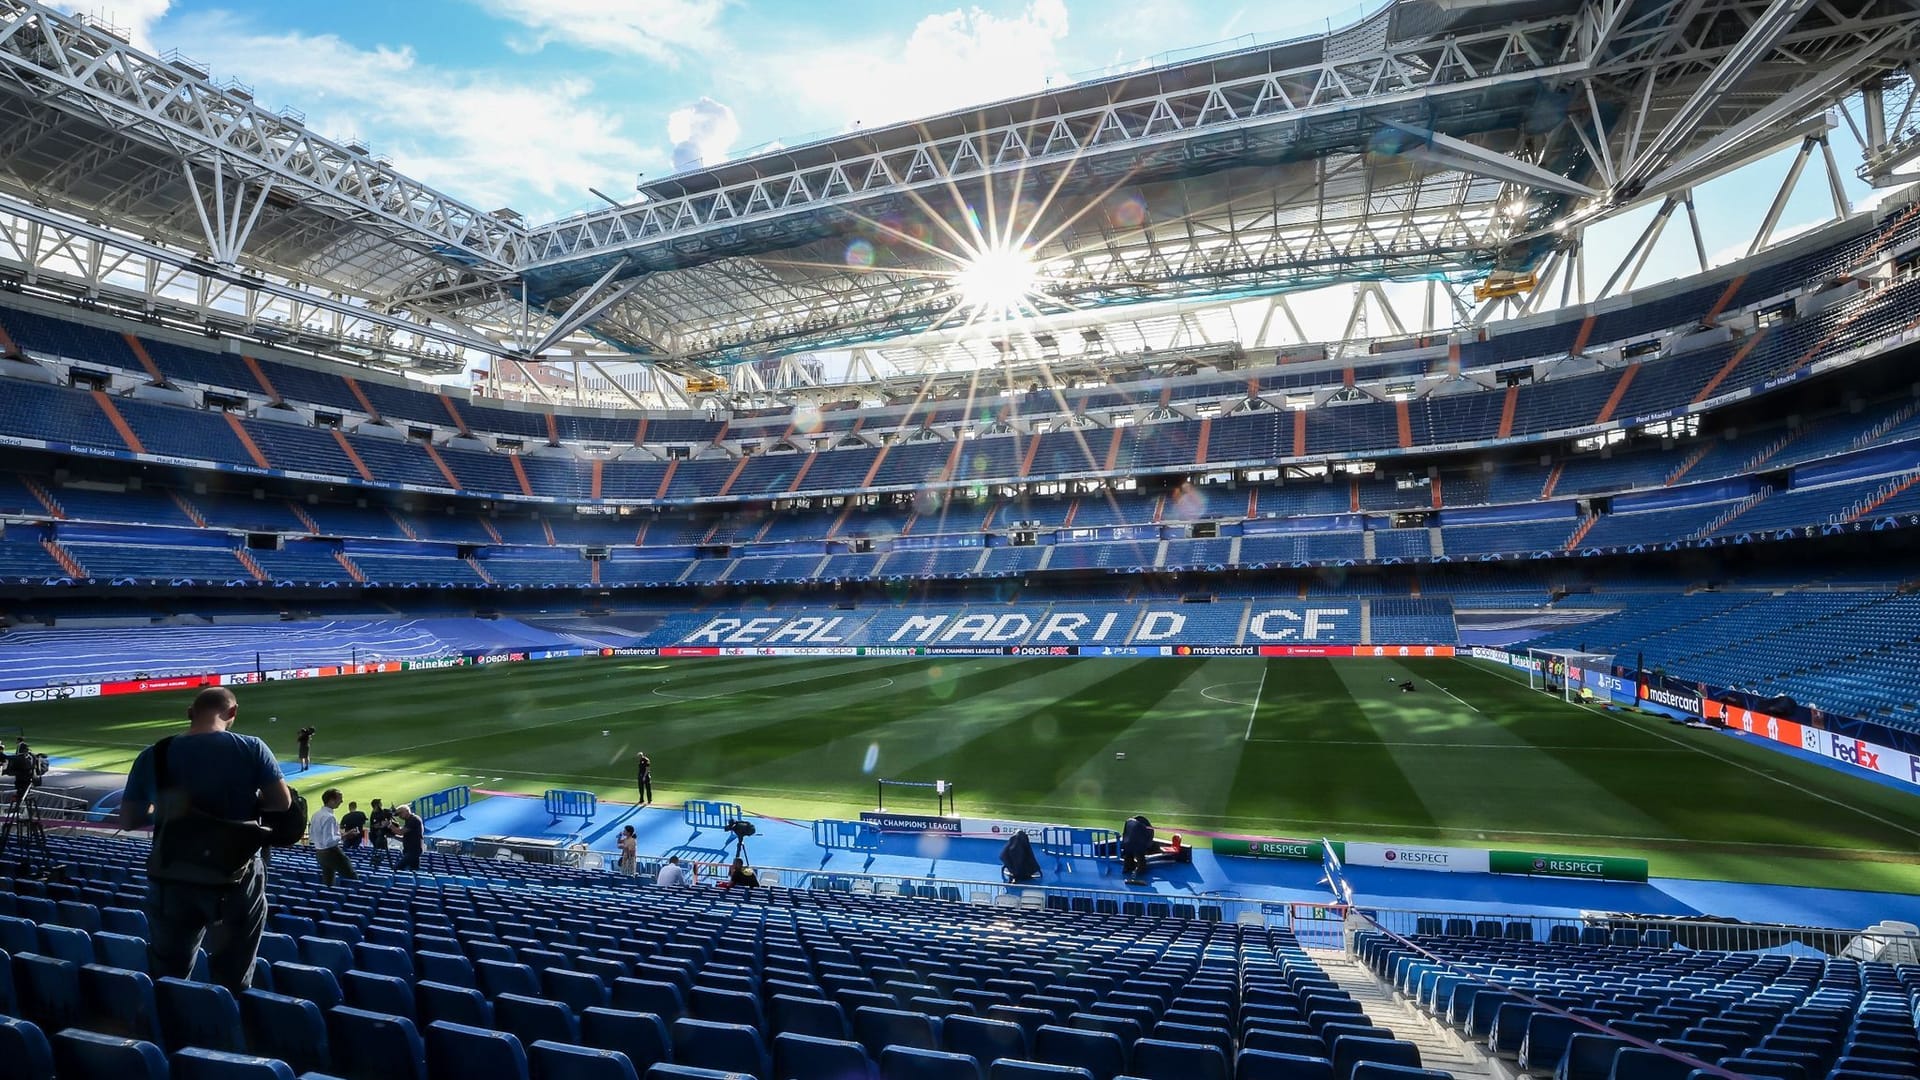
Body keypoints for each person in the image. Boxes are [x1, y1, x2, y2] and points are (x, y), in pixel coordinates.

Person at [120, 686, 291, 992]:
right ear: (233, 712)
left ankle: (168, 1034)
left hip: (171, 878)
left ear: (190, 713)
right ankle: (223, 1033)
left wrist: (168, 811)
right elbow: (282, 803)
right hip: (234, 879)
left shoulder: (154, 754)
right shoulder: (251, 747)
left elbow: (130, 820)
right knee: (233, 978)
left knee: (168, 976)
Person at [310, 788, 354, 887]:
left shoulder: (316, 815)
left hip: (319, 853)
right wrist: (345, 835)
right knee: (353, 878)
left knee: (328, 882)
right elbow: (329, 842)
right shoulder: (329, 817)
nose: (342, 801)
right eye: (339, 799)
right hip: (331, 853)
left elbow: (312, 837)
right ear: (331, 800)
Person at [394, 804, 424, 873]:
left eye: (400, 813)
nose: (399, 816)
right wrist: (393, 836)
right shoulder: (409, 820)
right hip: (411, 851)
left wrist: (389, 825)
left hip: (413, 851)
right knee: (413, 871)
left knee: (397, 869)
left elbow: (400, 832)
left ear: (407, 811)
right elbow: (405, 838)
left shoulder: (414, 819)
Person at [367, 799, 394, 869]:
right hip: (376, 837)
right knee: (378, 852)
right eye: (380, 803)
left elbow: (389, 814)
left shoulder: (381, 812)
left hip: (380, 836)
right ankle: (375, 865)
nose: (381, 804)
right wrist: (383, 825)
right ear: (376, 805)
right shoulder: (374, 815)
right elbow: (376, 825)